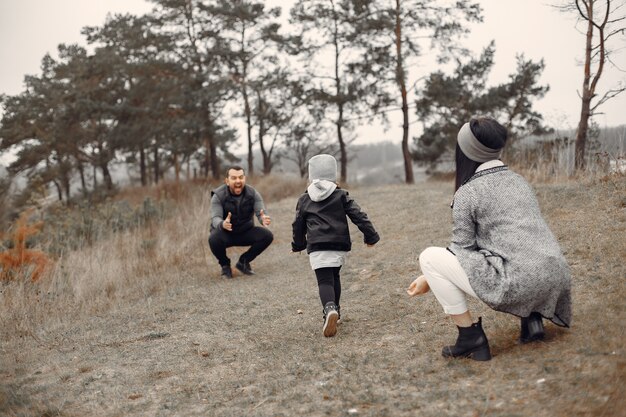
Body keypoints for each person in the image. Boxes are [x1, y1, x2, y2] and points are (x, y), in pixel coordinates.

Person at [407, 117, 571, 361]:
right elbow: (521, 237)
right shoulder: (519, 181)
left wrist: (427, 275)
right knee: (519, 250)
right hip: (555, 276)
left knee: (429, 257)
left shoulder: (468, 192)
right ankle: (532, 320)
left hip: (522, 282)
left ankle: (469, 338)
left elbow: (462, 249)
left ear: (465, 151)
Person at [292, 154, 380, 337]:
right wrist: (371, 236)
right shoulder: (341, 195)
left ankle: (329, 309)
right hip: (338, 244)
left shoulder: (305, 199)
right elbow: (358, 215)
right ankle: (336, 311)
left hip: (317, 245)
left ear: (311, 175)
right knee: (334, 275)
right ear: (333, 174)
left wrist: (298, 244)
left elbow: (298, 224)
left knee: (324, 280)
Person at [208, 166, 273, 278]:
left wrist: (263, 219)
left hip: (245, 232)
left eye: (240, 177)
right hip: (225, 233)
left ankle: (243, 262)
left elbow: (261, 211)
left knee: (267, 236)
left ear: (244, 179)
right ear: (227, 181)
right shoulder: (218, 196)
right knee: (213, 239)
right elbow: (215, 218)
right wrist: (222, 224)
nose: (238, 181)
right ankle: (225, 266)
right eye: (234, 178)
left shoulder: (253, 193)